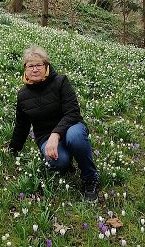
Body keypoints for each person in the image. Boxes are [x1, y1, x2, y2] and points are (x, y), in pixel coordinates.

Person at [9, 46, 99, 202]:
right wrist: (13, 149)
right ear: (25, 69)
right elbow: (21, 126)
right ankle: (68, 160)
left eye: (39, 65)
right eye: (31, 66)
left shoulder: (61, 82)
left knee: (75, 136)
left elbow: (73, 112)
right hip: (45, 137)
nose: (35, 69)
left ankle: (90, 178)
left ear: (46, 66)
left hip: (71, 127)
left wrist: (55, 135)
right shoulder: (23, 95)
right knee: (60, 162)